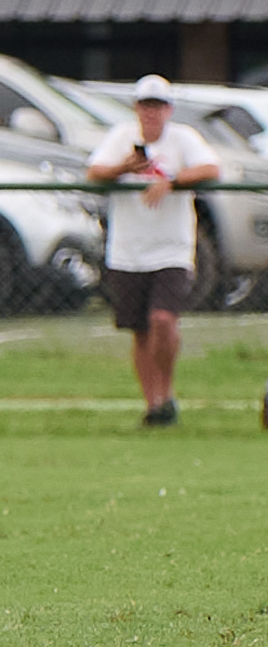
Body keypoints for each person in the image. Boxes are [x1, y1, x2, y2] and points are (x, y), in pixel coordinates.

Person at [86, 74, 220, 427]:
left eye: (158, 105)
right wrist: (124, 168)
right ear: (137, 108)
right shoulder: (121, 137)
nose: (152, 112)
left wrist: (171, 182)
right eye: (146, 105)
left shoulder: (183, 139)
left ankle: (168, 389)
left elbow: (211, 168)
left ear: (169, 109)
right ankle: (155, 405)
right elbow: (95, 171)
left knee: (163, 319)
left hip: (171, 248)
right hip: (128, 249)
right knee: (140, 329)